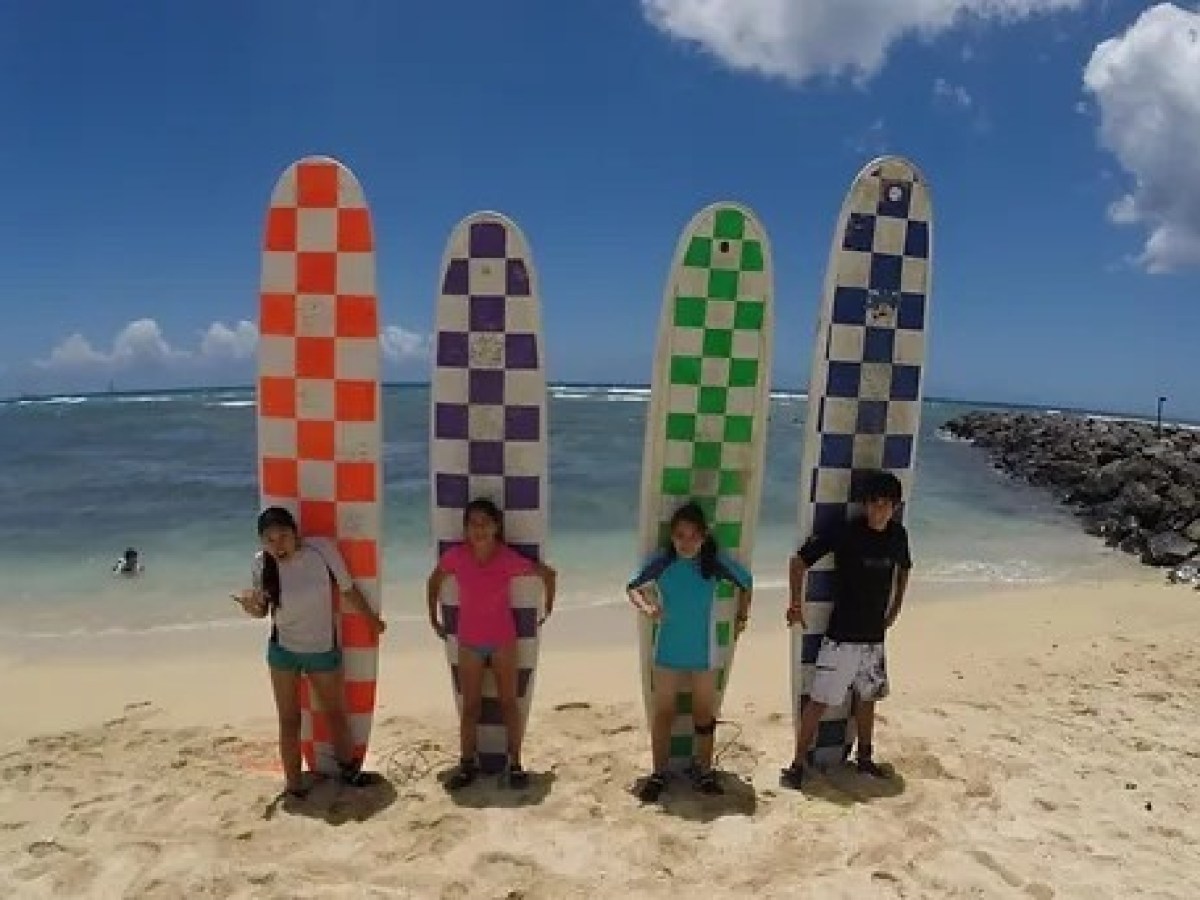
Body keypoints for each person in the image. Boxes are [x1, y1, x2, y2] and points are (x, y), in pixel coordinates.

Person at [232, 506, 386, 799]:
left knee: (336, 714)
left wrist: (371, 620)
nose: (278, 545)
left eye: (283, 537)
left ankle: (349, 773)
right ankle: (294, 785)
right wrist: (250, 607)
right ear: (262, 542)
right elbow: (263, 610)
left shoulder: (321, 550)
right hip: (282, 651)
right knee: (289, 720)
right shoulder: (260, 564)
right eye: (270, 540)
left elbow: (347, 589)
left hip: (321, 649)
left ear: (296, 533)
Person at [781, 470, 912, 789]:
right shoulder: (846, 533)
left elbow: (905, 568)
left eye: (884, 505)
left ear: (894, 506)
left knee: (867, 700)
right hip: (840, 638)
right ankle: (797, 764)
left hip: (874, 638)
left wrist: (895, 609)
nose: (877, 511)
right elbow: (799, 562)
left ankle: (865, 759)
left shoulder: (898, 536)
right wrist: (796, 604)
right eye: (871, 504)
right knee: (820, 701)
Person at [626, 501, 753, 802]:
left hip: (704, 651)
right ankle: (659, 773)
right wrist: (648, 607)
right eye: (680, 535)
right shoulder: (663, 562)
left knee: (703, 714)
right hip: (667, 649)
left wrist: (741, 618)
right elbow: (633, 587)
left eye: (693, 536)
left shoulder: (713, 564)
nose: (686, 542)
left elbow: (746, 583)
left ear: (704, 536)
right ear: (671, 536)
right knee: (664, 713)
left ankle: (704, 772)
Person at [426, 498, 557, 790]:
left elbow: (548, 574)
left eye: (485, 523)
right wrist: (433, 618)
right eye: (473, 523)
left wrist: (548, 607)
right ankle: (466, 764)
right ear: (465, 529)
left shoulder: (507, 558)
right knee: (470, 707)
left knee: (509, 703)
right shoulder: (457, 557)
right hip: (469, 641)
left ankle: (516, 764)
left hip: (502, 641)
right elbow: (434, 580)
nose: (479, 529)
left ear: (497, 526)